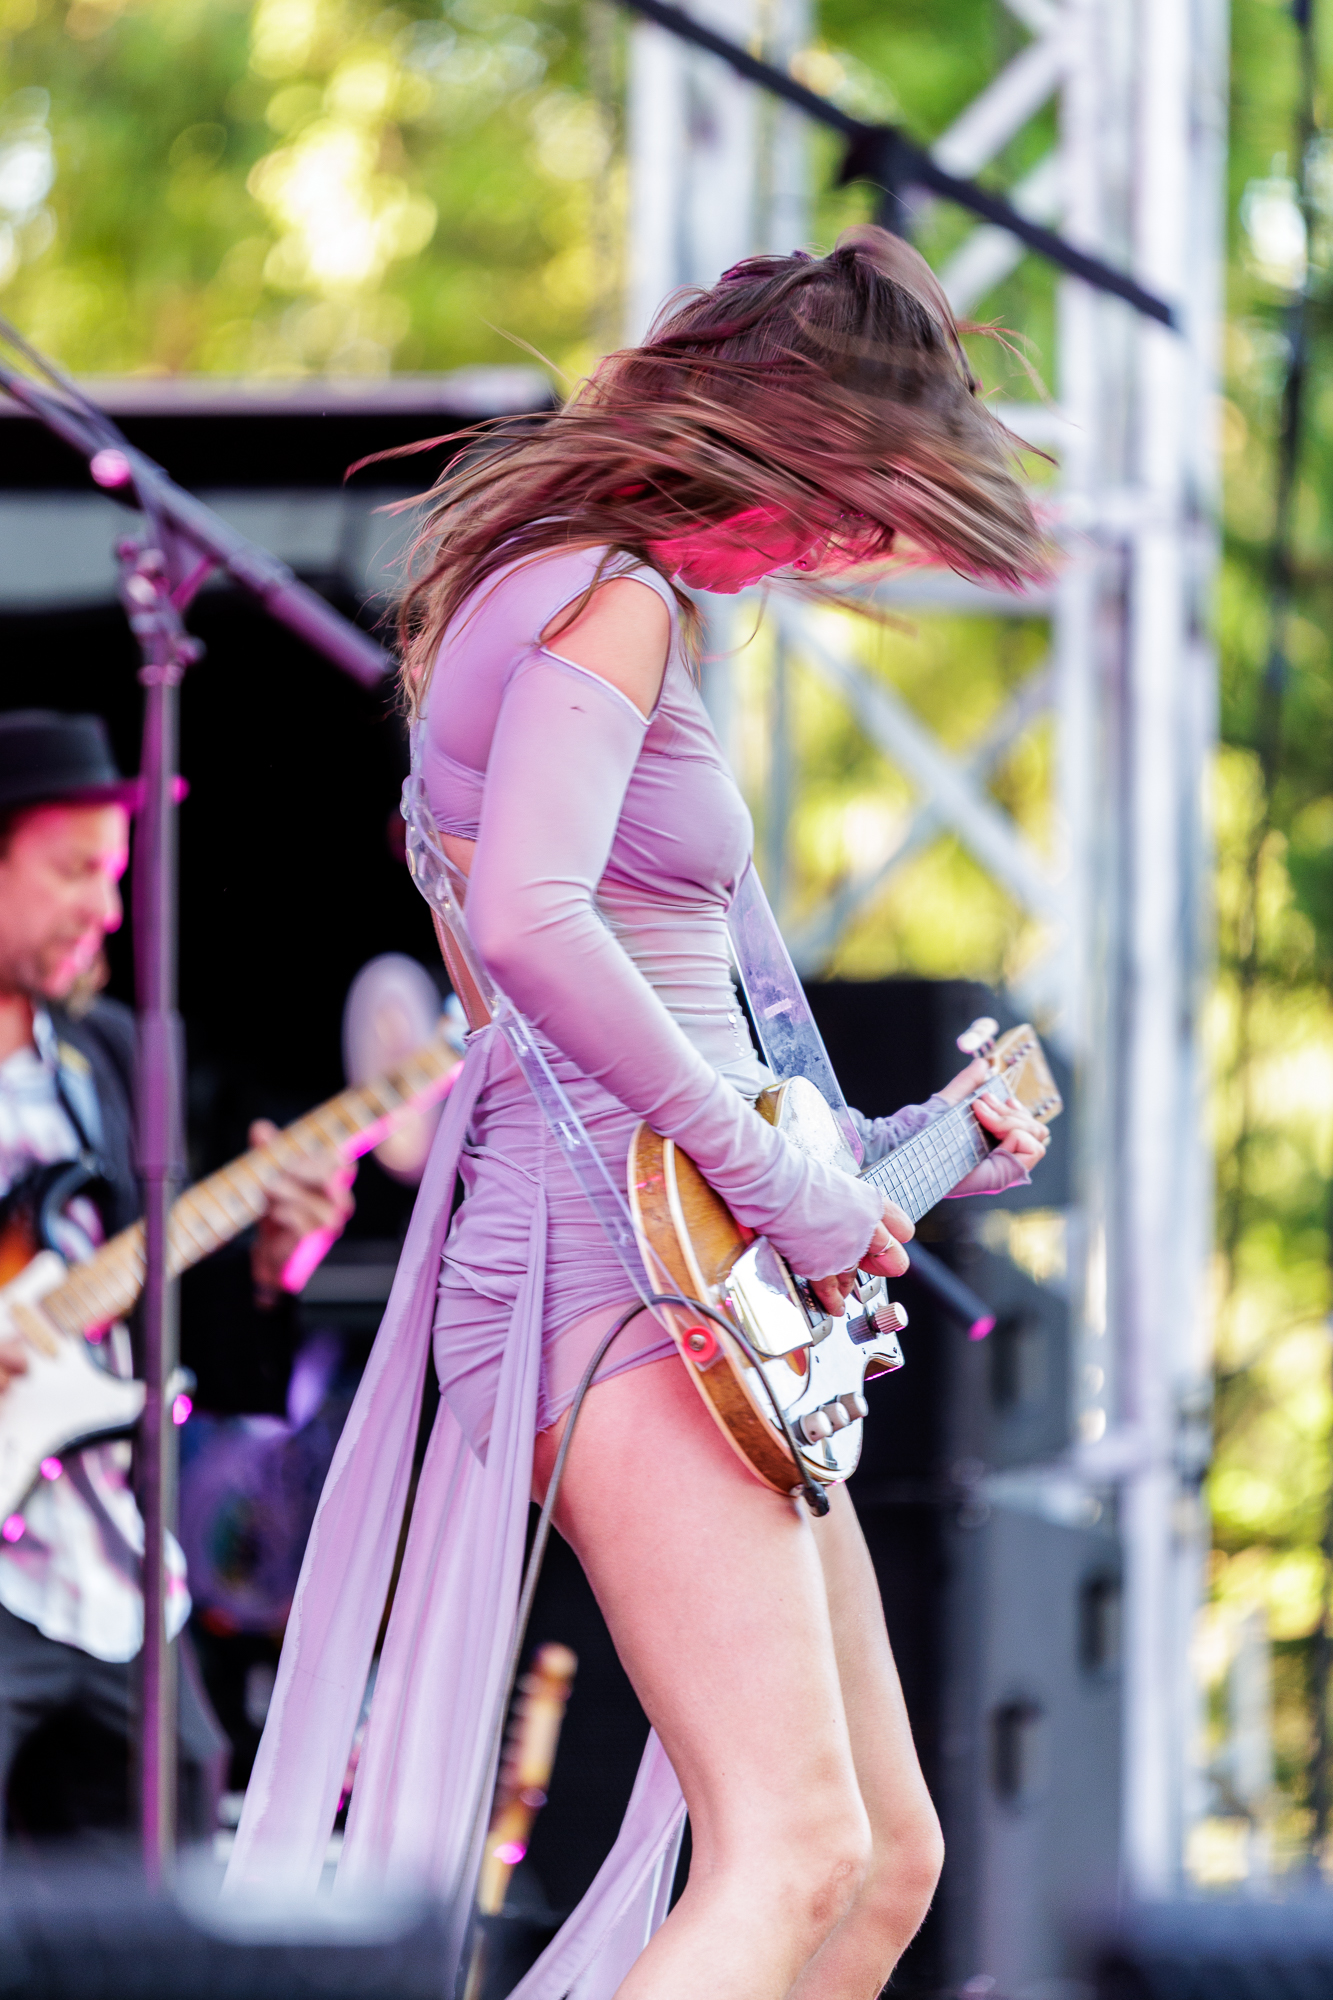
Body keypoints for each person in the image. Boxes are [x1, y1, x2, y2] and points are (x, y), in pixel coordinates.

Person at [226, 229, 1050, 1999]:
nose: (839, 552)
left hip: (656, 1241)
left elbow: (626, 997)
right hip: (613, 1264)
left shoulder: (559, 589)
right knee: (795, 1851)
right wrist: (780, 1182)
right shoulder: (608, 596)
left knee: (879, 1862)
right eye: (846, 505)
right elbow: (530, 931)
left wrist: (880, 1156)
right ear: (773, 433)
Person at [0, 708, 355, 1840]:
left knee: (161, 1897)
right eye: (74, 871)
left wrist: (270, 1265)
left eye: (113, 875)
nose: (106, 909)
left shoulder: (107, 1056)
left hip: (113, 1582)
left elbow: (172, 1338)